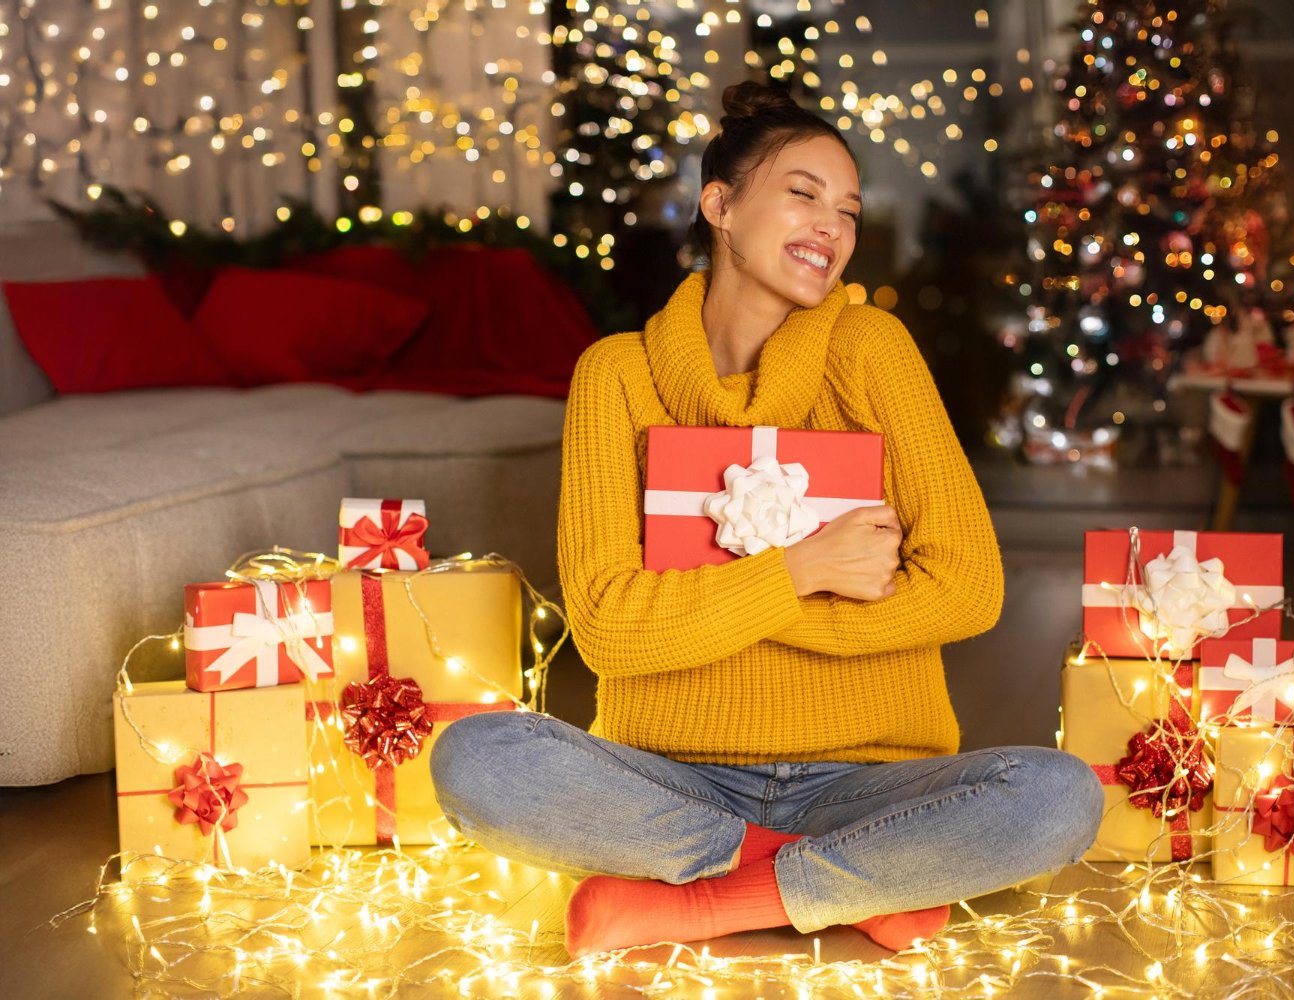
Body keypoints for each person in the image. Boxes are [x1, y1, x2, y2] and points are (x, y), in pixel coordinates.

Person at [430, 80, 1103, 960]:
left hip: (867, 779)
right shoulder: (616, 376)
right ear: (720, 204)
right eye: (803, 194)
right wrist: (805, 569)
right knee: (475, 758)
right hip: (672, 779)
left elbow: (971, 591)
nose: (832, 226)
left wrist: (713, 612)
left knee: (1059, 795)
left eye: (850, 211)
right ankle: (838, 882)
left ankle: (704, 902)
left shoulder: (872, 353)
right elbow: (608, 630)